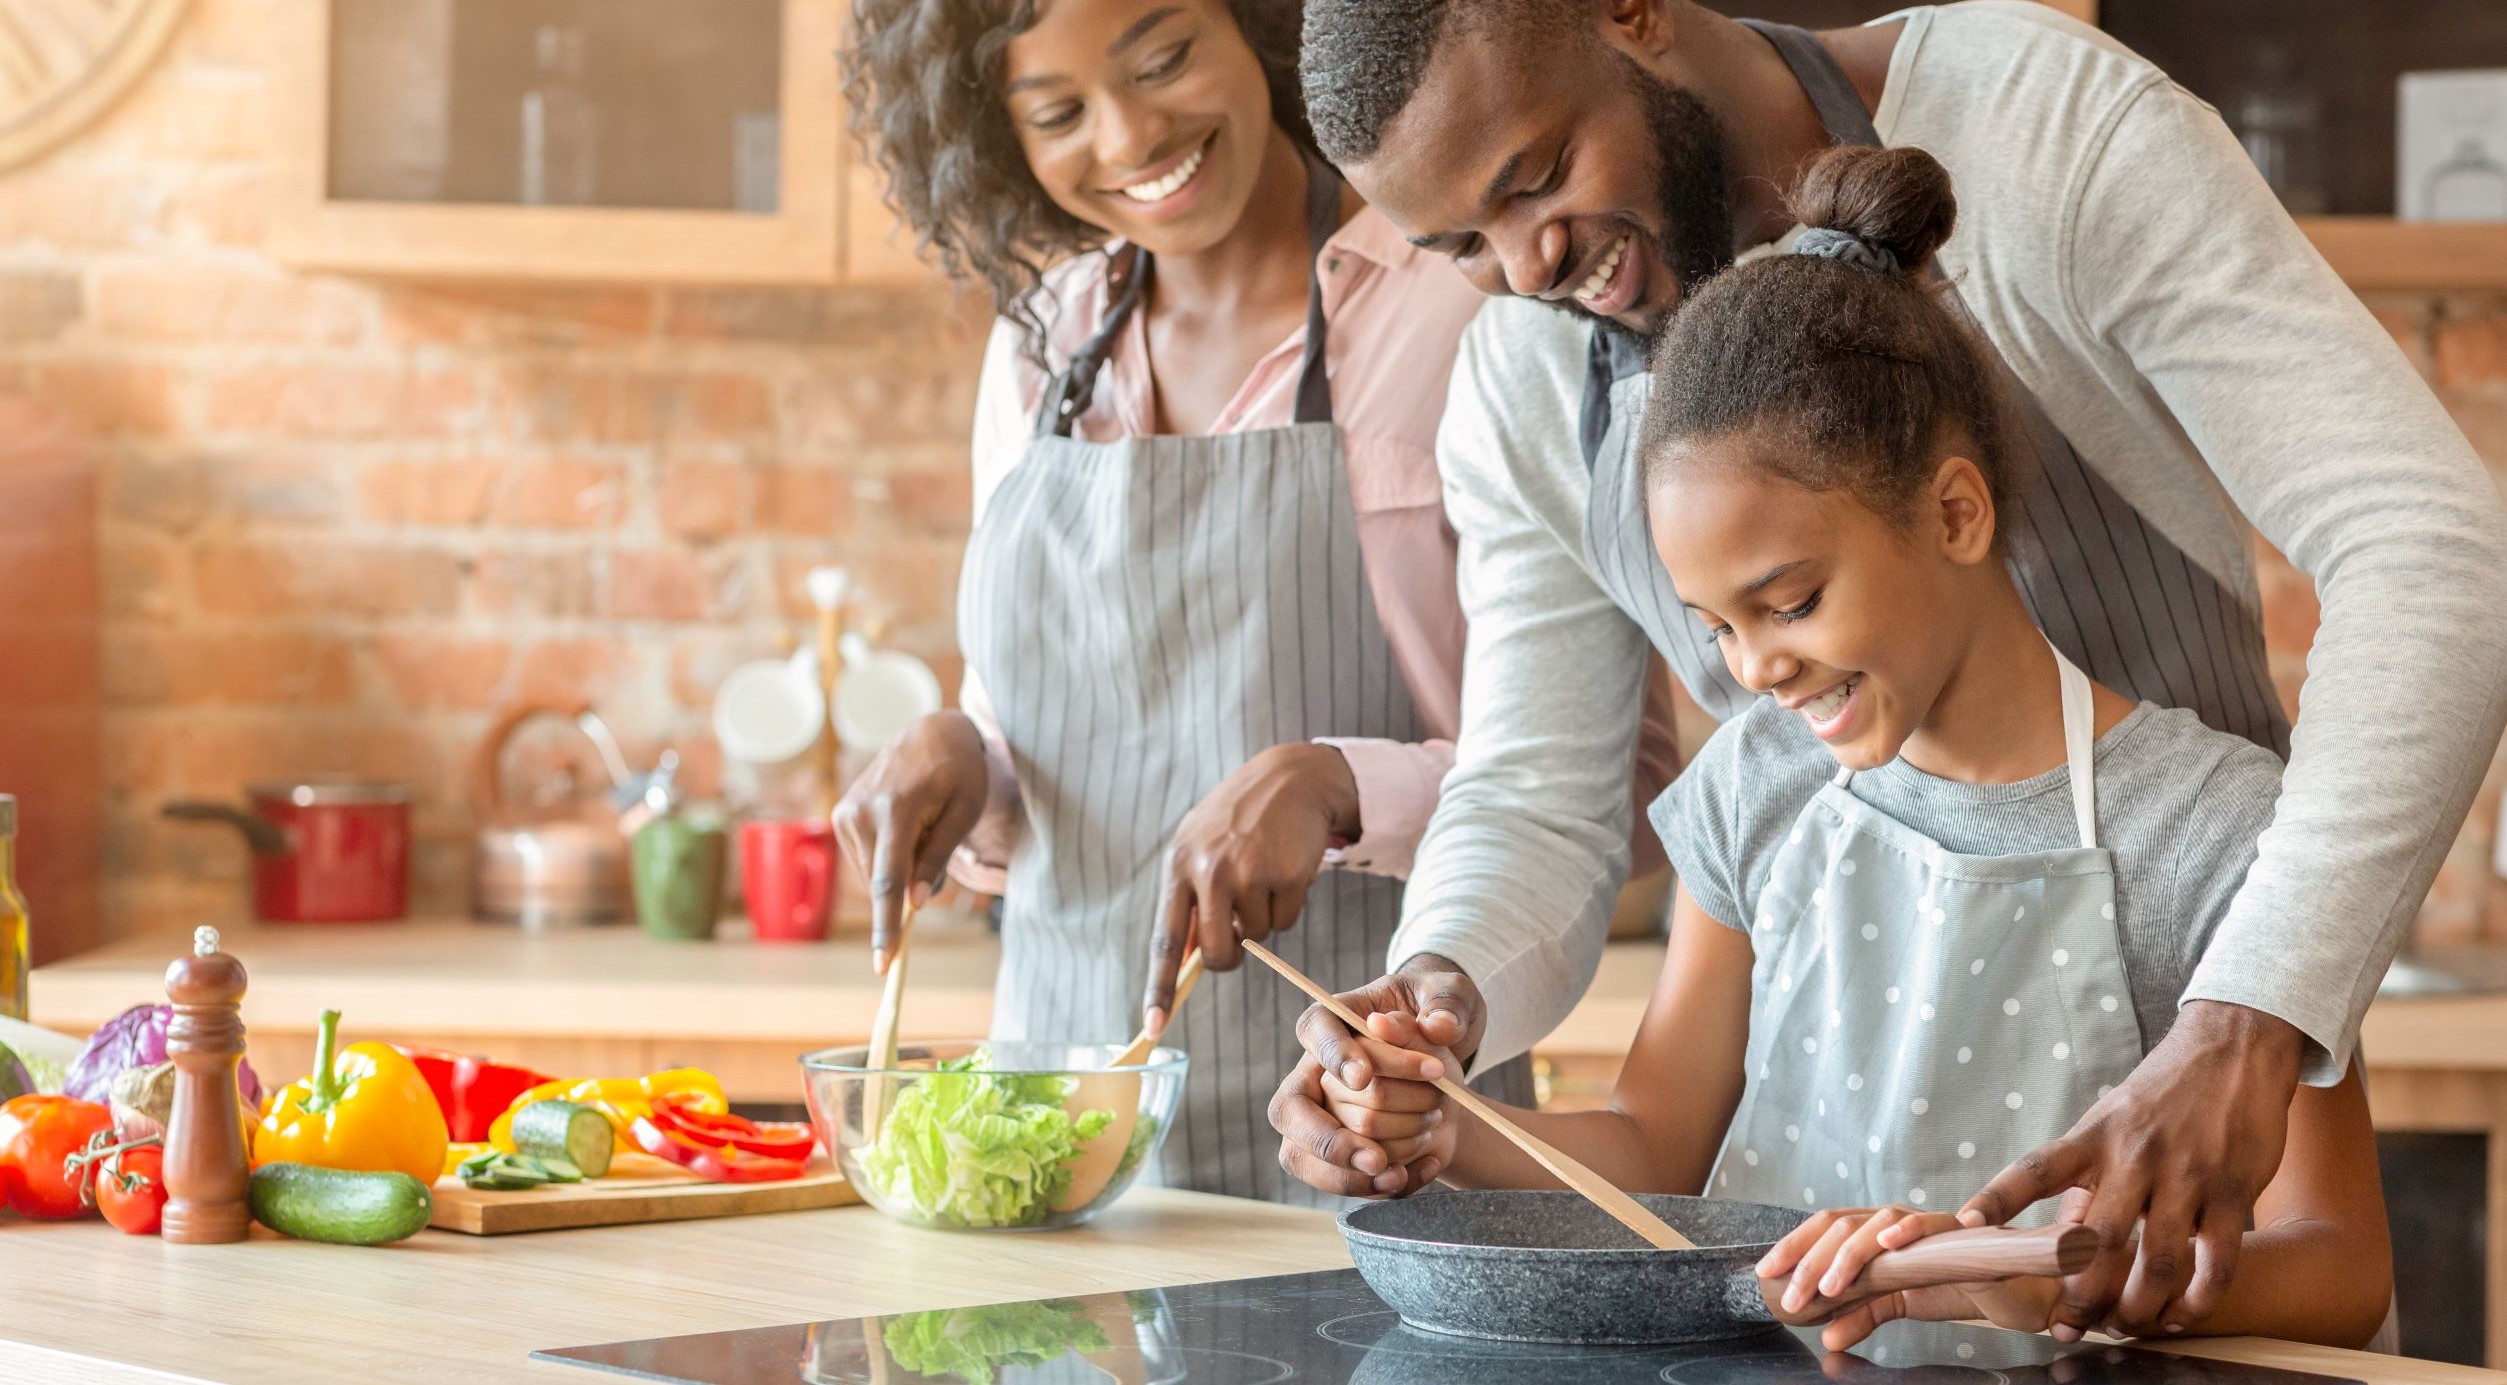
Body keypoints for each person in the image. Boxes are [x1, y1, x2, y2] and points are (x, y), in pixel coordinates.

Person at [1272, 0, 2507, 1330]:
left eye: (1535, 177)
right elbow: (1532, 788)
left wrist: (2248, 1015)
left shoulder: (2042, 134)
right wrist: (1426, 1027)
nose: (1525, 269)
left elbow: (2429, 549)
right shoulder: (1745, 765)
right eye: (1459, 244)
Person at [833, 0, 1678, 1204]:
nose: (1128, 136)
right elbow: (1056, 749)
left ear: (1258, 27)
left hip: (1388, 1140)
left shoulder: (1472, 307)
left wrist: (1338, 786)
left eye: (1164, 57)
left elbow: (1612, 782)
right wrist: (961, 757)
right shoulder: (1040, 348)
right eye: (1058, 112)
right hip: (1062, 1160)